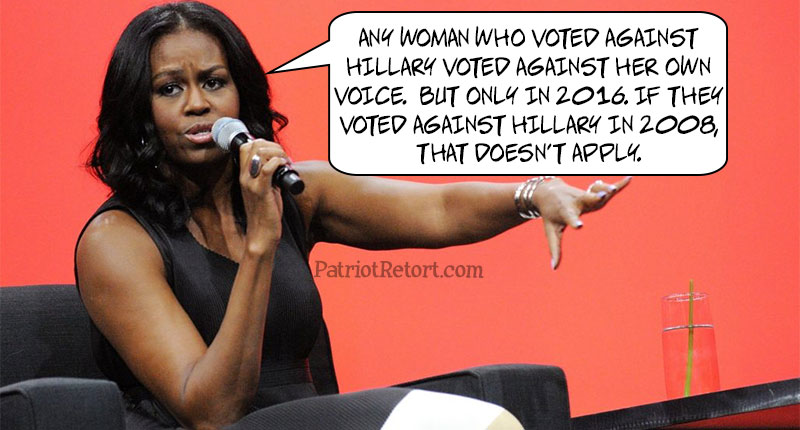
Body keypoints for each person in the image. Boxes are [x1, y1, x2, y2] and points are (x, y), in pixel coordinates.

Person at [75, 2, 630, 429]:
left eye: (214, 82)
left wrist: (533, 194)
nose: (198, 103)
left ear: (241, 94)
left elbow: (436, 209)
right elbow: (211, 413)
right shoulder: (117, 239)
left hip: (311, 418)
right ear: (139, 112)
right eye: (170, 88)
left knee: (495, 414)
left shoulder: (293, 192)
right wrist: (261, 245)